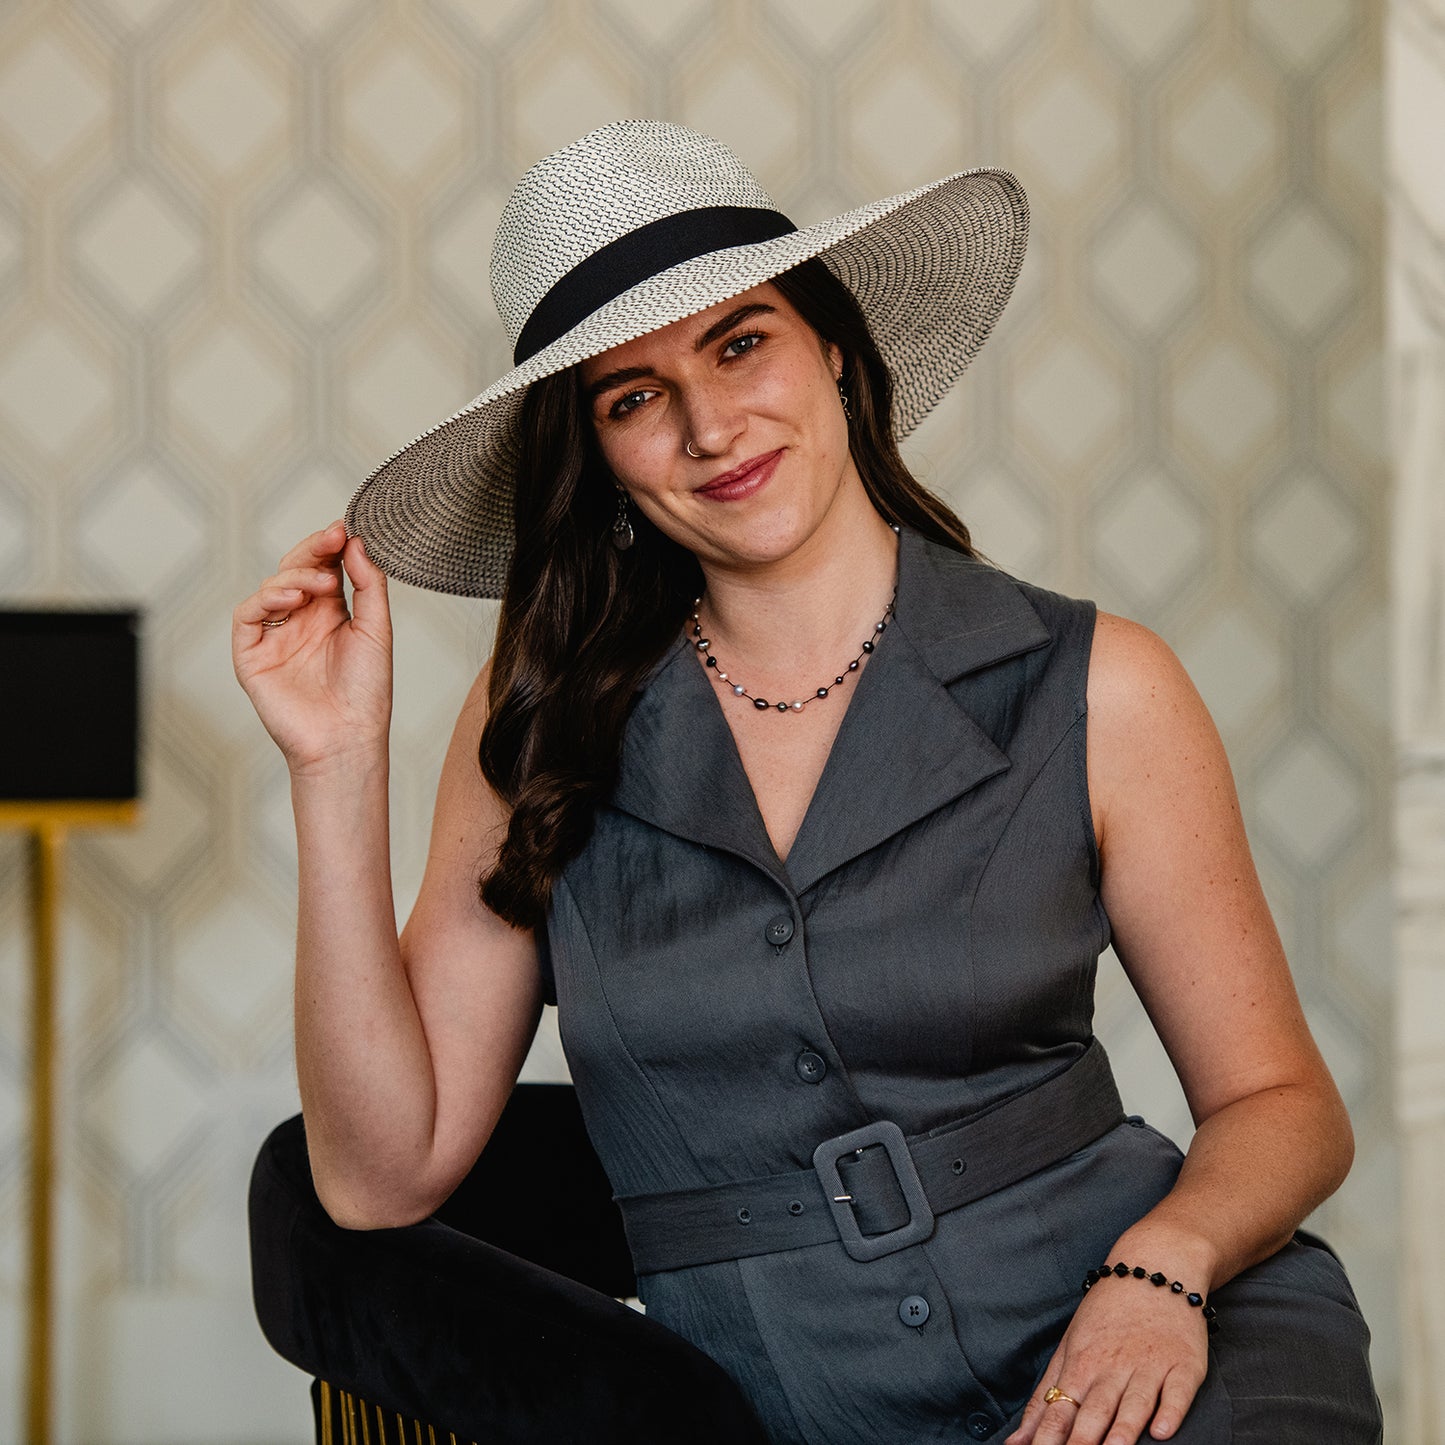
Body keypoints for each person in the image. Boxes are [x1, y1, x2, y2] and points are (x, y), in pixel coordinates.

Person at [233, 121, 1382, 1444]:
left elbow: (1283, 1106)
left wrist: (1160, 1268)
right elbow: (378, 1180)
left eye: (740, 343)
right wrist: (334, 768)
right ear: (595, 453)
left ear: (833, 345)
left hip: (1150, 1358)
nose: (710, 426)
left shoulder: (1101, 686)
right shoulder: (539, 727)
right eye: (632, 397)